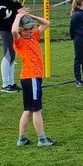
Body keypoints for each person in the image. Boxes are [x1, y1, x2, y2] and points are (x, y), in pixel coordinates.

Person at [12, 8, 55, 147]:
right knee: (37, 110)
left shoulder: (34, 36)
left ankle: (22, 139)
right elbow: (13, 31)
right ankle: (42, 139)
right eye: (27, 29)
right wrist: (18, 17)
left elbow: (46, 23)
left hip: (29, 78)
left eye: (31, 28)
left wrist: (31, 16)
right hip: (32, 77)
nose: (30, 31)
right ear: (20, 30)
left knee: (28, 109)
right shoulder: (19, 41)